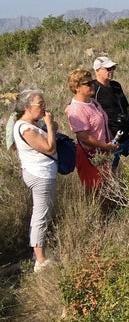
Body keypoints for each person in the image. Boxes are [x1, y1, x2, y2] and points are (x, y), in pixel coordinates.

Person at [12, 88, 57, 272]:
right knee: (41, 216)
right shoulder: (26, 128)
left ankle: (36, 252)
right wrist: (49, 126)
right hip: (40, 175)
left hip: (41, 173)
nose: (43, 107)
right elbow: (49, 148)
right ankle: (40, 259)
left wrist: (48, 125)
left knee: (41, 214)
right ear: (26, 107)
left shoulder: (31, 125)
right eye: (40, 104)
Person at [91, 56, 129, 169]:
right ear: (97, 70)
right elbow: (73, 106)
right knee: (109, 173)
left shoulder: (116, 85)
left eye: (113, 68)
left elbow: (126, 107)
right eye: (108, 69)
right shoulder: (92, 89)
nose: (111, 71)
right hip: (110, 140)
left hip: (126, 134)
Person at [66, 69, 118, 190]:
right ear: (77, 87)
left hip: (103, 150)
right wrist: (105, 146)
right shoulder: (76, 109)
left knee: (108, 185)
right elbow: (83, 138)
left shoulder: (93, 102)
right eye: (88, 84)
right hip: (89, 154)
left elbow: (104, 124)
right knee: (96, 188)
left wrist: (111, 142)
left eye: (92, 82)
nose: (92, 85)